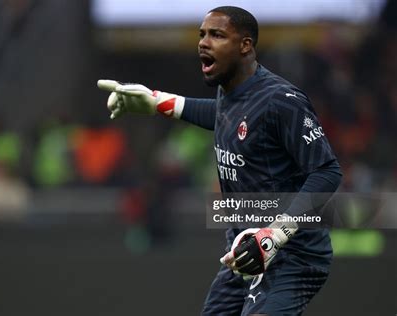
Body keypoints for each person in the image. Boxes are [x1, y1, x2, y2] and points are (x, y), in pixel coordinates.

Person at [98, 6, 341, 316]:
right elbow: (224, 117)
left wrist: (276, 234)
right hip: (243, 250)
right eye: (202, 34)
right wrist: (158, 101)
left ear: (245, 46)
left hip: (292, 254)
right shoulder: (233, 94)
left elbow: (327, 171)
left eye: (217, 35)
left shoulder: (282, 101)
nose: (203, 42)